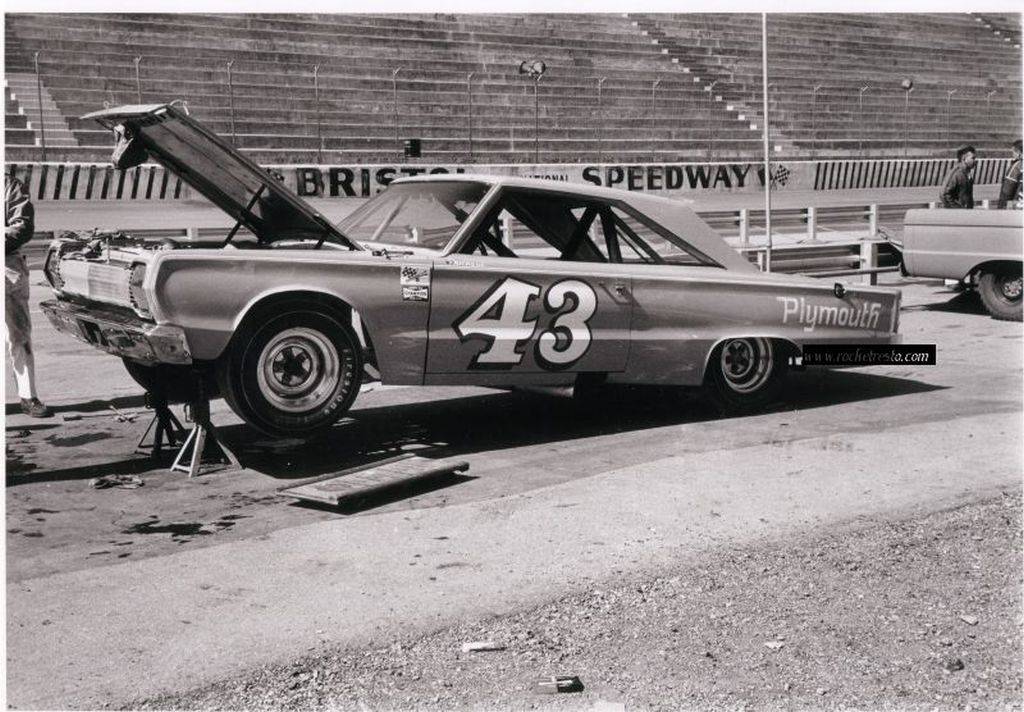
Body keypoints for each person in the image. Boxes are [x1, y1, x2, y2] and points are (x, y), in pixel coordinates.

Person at [5, 176, 52, 417]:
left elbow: (22, 227)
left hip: (6, 266)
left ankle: (28, 396)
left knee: (18, 335)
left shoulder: (10, 186)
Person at [940, 145, 976, 209]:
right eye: (972, 158)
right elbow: (944, 194)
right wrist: (957, 209)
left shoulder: (967, 173)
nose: (974, 161)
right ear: (964, 158)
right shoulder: (956, 173)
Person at [996, 139, 1022, 209]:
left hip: (1018, 206)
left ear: (1019, 152)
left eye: (1013, 152)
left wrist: (1001, 208)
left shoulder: (1017, 166)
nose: (1012, 155)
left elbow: (1007, 191)